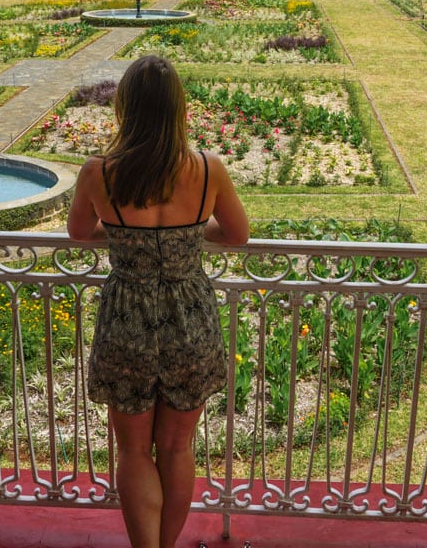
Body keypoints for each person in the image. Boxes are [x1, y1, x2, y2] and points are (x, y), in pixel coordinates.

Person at [67, 54, 249, 548]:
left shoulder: (98, 172)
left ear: (124, 107)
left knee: (132, 451)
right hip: (190, 318)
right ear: (178, 109)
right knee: (175, 447)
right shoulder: (208, 169)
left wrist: (130, 239)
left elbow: (82, 232)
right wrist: (188, 235)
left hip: (127, 315)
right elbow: (235, 234)